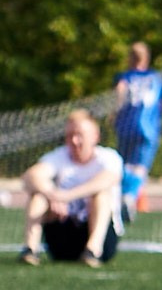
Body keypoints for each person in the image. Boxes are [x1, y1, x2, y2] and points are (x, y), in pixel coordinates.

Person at [17, 110, 124, 267]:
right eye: (69, 135)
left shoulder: (108, 158)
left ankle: (92, 251)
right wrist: (52, 194)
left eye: (80, 135)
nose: (74, 141)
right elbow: (30, 176)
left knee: (101, 195)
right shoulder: (59, 157)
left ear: (95, 136)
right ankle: (30, 250)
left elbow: (108, 179)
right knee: (38, 196)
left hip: (100, 236)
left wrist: (67, 196)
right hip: (63, 234)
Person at [112, 41, 162, 217]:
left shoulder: (124, 77)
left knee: (124, 164)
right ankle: (129, 197)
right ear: (147, 58)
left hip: (125, 127)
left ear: (130, 58)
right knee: (140, 166)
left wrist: (115, 114)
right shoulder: (156, 78)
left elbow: (119, 95)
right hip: (148, 129)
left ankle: (125, 196)